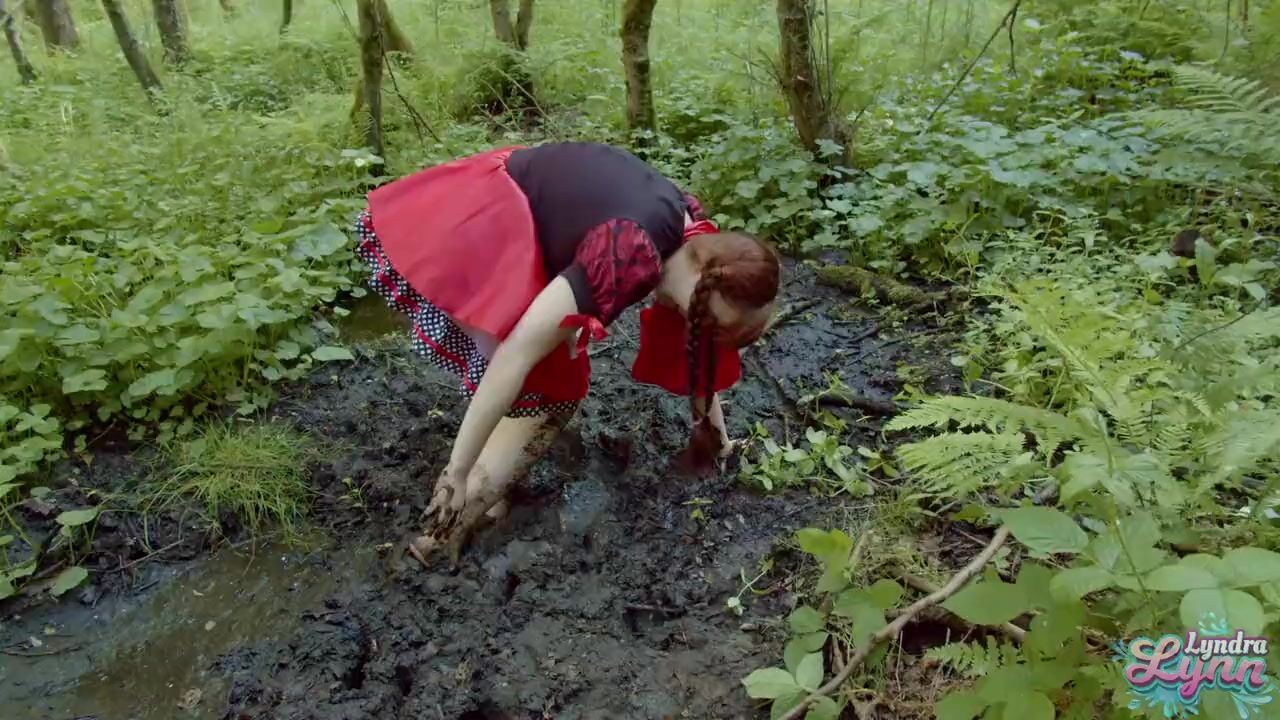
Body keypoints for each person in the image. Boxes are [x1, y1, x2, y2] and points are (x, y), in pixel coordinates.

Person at [351, 141, 781, 566]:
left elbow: (698, 354)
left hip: (520, 209)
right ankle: (442, 530)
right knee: (550, 391)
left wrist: (718, 441)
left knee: (548, 373)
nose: (704, 328)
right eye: (709, 319)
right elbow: (517, 353)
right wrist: (457, 470)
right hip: (482, 223)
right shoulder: (630, 252)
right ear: (706, 274)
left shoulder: (692, 243)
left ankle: (486, 493)